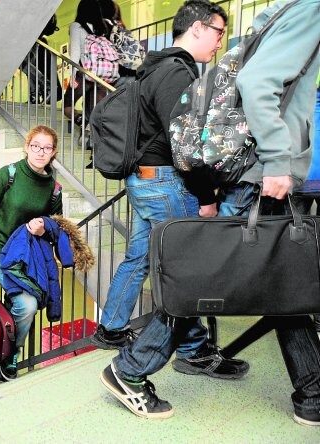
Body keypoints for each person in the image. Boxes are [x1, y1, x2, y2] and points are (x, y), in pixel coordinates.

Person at [99, 0, 250, 420]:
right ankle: (130, 372)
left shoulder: (155, 66)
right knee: (188, 274)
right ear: (198, 28)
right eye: (219, 32)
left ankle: (188, 348)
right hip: (166, 181)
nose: (220, 43)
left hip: (147, 181)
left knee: (145, 260)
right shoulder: (177, 72)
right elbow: (187, 147)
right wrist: (206, 197)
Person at [215, 0, 320, 426]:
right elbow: (257, 81)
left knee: (282, 279)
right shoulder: (313, 10)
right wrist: (278, 160)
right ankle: (132, 367)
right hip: (265, 172)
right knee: (213, 269)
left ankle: (313, 392)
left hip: (263, 171)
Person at [0, 125, 62, 381]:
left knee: (25, 303)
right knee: (27, 303)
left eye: (46, 148)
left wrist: (44, 227)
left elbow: (57, 226)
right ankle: (8, 355)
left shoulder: (53, 188)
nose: (40, 152)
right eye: (36, 146)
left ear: (53, 152)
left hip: (26, 256)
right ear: (27, 147)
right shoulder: (7, 175)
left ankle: (7, 342)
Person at [64, 0, 117, 128]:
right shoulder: (102, 28)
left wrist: (73, 74)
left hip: (84, 73)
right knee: (96, 110)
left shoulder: (76, 26)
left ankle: (81, 121)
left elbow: (76, 52)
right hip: (101, 76)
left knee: (67, 106)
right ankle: (92, 135)